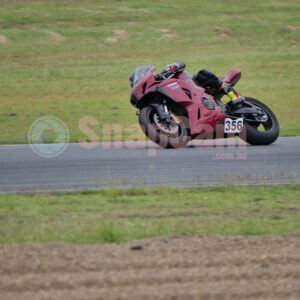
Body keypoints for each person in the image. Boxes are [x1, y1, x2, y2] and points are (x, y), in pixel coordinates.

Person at [158, 62, 242, 102]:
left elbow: (181, 64)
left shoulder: (165, 72)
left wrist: (173, 67)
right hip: (192, 103)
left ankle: (233, 94)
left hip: (196, 87)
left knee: (201, 74)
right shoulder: (159, 93)